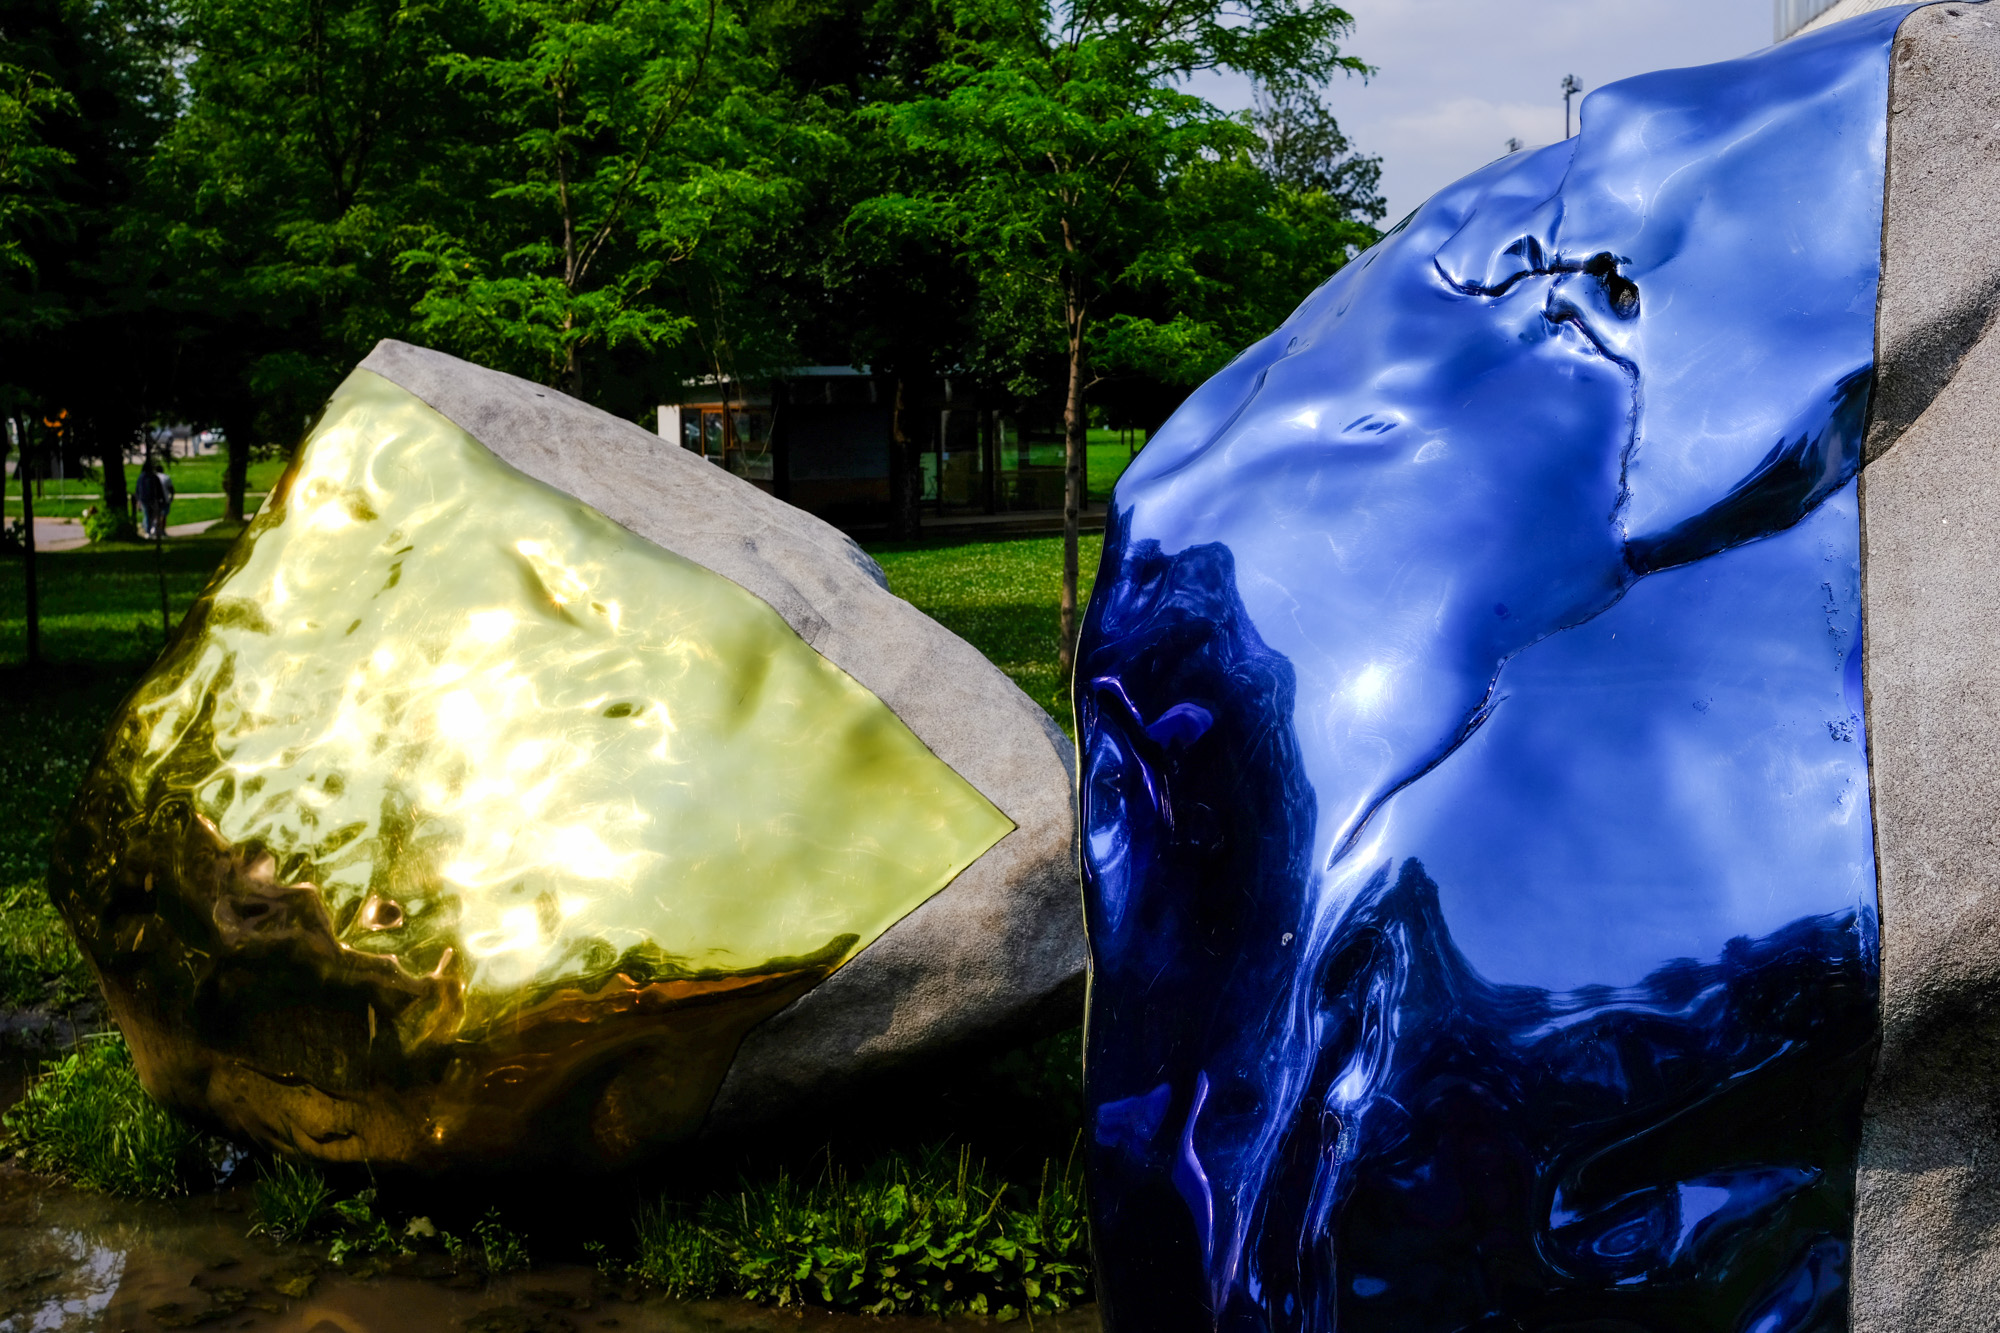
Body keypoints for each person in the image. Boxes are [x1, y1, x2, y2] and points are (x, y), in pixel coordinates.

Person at [135, 459, 167, 539]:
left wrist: (138, 499)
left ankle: (147, 530)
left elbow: (138, 489)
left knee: (147, 514)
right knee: (152, 515)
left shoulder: (141, 477)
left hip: (144, 499)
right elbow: (159, 489)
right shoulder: (153, 477)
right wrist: (162, 498)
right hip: (152, 499)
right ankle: (149, 530)